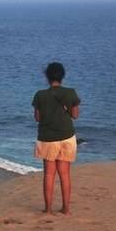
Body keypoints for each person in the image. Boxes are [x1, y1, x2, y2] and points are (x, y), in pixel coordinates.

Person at [32, 62, 80, 215]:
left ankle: (48, 209)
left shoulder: (40, 95)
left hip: (47, 137)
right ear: (62, 76)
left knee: (49, 174)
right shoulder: (70, 93)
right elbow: (75, 115)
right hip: (66, 136)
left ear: (47, 76)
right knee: (64, 174)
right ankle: (66, 208)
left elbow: (37, 118)